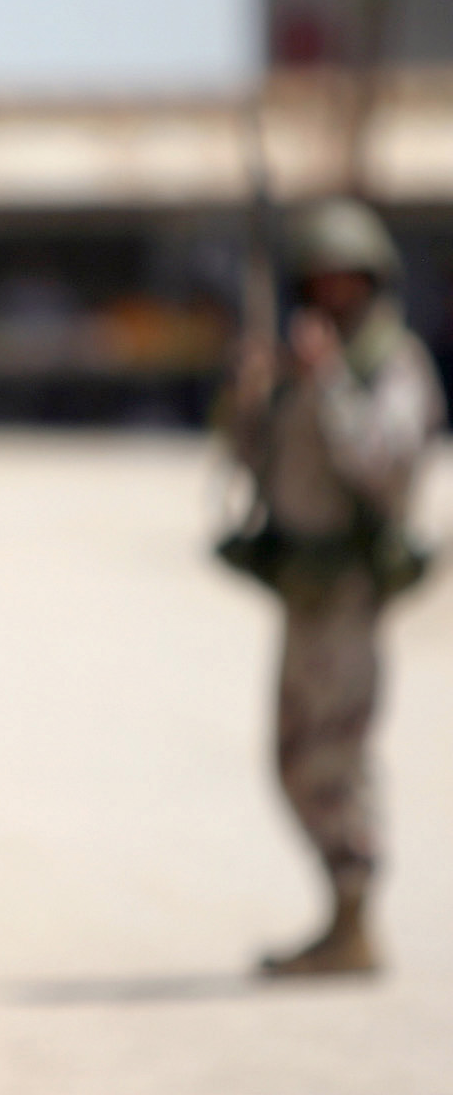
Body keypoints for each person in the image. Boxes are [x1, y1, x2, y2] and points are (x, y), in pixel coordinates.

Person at [225, 197, 445, 977]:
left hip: (350, 591)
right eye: (320, 278)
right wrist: (256, 390)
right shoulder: (303, 360)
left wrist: (326, 387)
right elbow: (249, 465)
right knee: (292, 758)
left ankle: (355, 922)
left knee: (336, 757)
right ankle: (343, 915)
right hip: (303, 589)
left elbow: (384, 463)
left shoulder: (391, 362)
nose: (332, 292)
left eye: (347, 278)